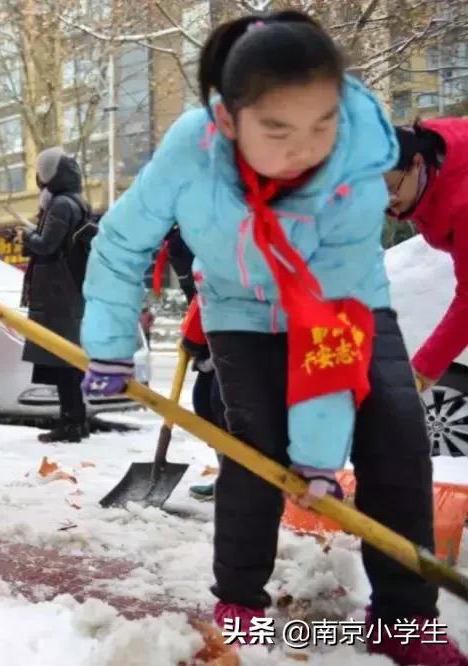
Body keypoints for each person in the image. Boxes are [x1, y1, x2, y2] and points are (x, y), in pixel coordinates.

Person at [79, 11, 466, 664]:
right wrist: (111, 342)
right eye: (277, 130)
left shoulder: (355, 142)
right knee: (256, 444)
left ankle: (405, 617)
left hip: (347, 296)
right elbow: (121, 242)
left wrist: (319, 447)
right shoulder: (190, 149)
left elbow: (333, 311)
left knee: (395, 428)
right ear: (228, 123)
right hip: (240, 306)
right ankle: (239, 598)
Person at [385, 118, 468, 391]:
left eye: (391, 189)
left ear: (417, 163)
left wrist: (421, 373)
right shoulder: (428, 151)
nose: (388, 203)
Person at [20, 147, 91, 443]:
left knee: (63, 361)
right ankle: (75, 419)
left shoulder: (61, 205)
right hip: (70, 291)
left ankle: (71, 423)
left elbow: (47, 245)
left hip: (58, 294)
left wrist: (26, 237)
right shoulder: (78, 202)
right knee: (69, 361)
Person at [153, 226, 226, 501]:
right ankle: (231, 474)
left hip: (245, 328)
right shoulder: (179, 238)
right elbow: (197, 291)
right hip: (212, 325)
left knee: (227, 406)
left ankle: (258, 480)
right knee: (206, 404)